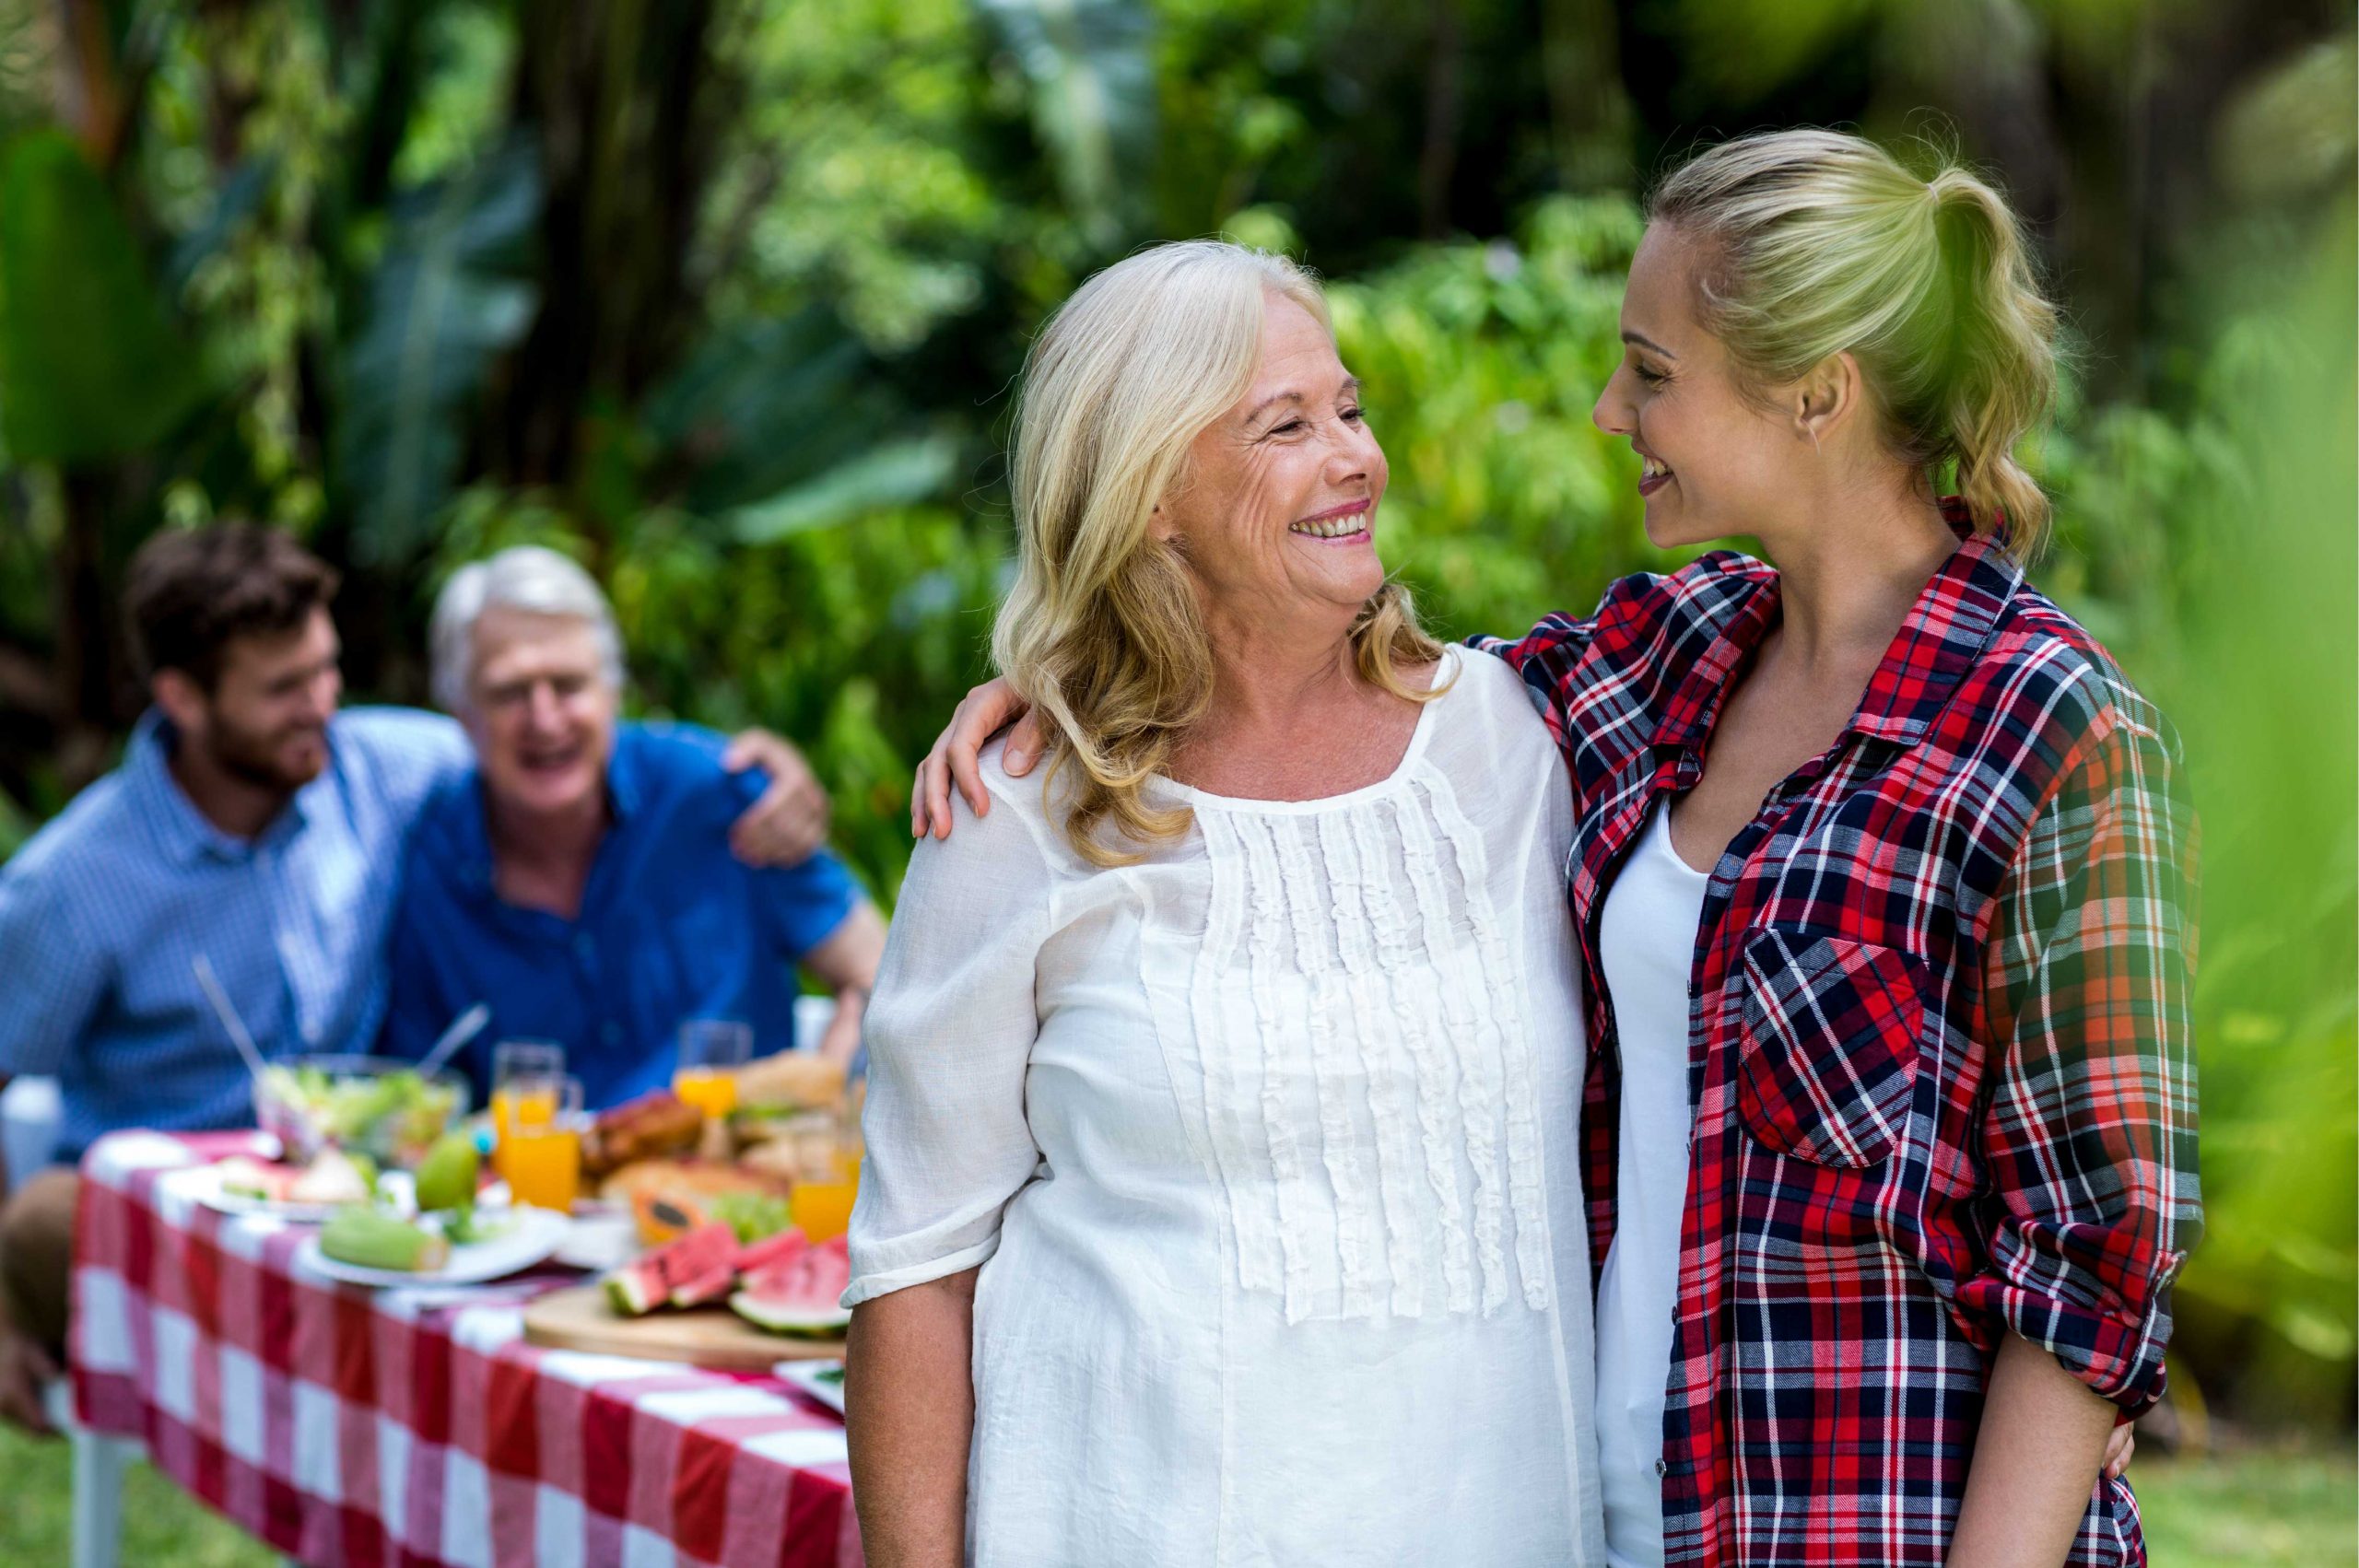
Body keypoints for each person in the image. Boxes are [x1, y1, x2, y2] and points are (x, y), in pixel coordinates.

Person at [916, 131, 2189, 1567]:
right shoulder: (1664, 666)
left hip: (1869, 1528)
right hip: (1616, 1517)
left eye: (1652, 372)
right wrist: (1073, 671)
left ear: (1816, 394)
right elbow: (1316, 692)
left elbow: (2096, 1260)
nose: (1607, 408)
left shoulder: (2053, 728)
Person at [847, 241, 1605, 1568]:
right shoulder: (1017, 810)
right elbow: (916, 1263)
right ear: (1149, 497)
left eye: (1352, 409)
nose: (1356, 456)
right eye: (1286, 425)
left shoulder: (1516, 742)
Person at [0, 523, 832, 1433]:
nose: (322, 705)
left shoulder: (381, 765)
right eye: (283, 688)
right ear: (184, 699)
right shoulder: (76, 881)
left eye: (326, 671)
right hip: (167, 1221)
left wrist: (761, 774)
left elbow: (567, 743)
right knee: (46, 1218)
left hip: (357, 1214)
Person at [381, 545, 885, 1106]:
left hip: (739, 1182)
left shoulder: (717, 793)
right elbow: (418, 1096)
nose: (545, 720)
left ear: (613, 692)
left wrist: (822, 1096)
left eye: (569, 685)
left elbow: (881, 975)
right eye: (509, 693)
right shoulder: (432, 865)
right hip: (535, 1191)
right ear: (462, 713)